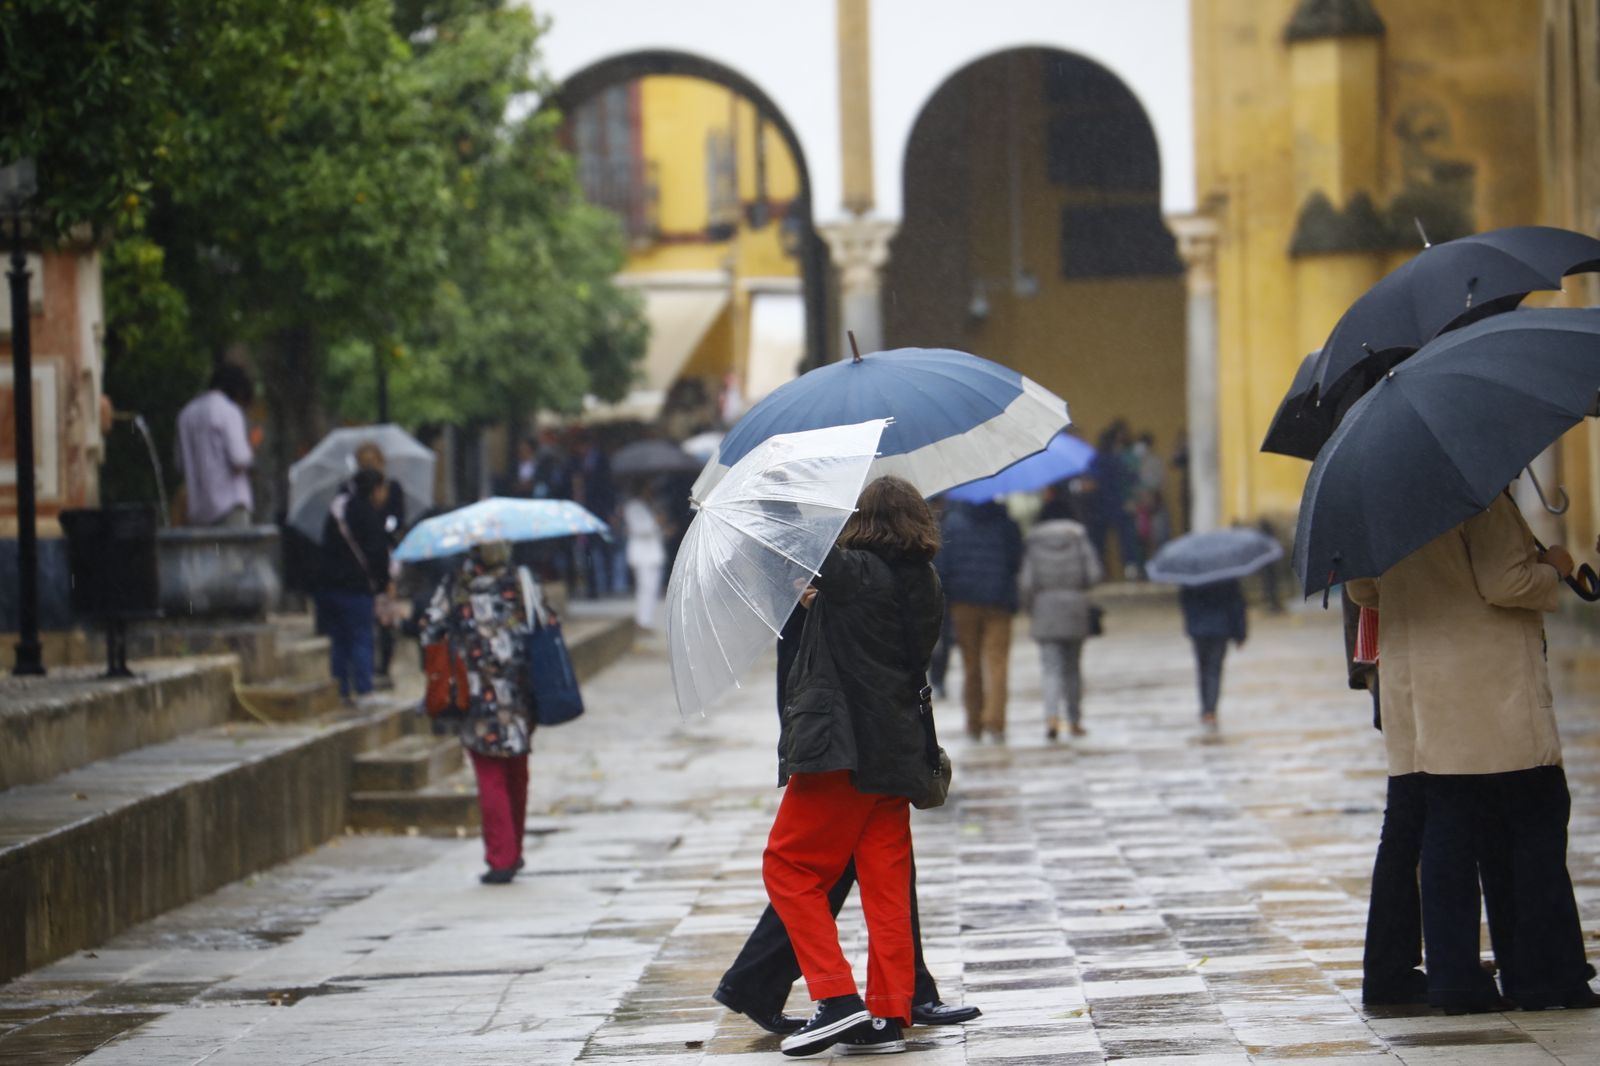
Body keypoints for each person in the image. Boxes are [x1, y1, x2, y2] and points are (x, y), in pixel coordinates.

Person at [1347, 491, 1597, 1012]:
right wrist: (1553, 568)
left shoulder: (1384, 501)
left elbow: (1363, 587)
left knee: (1448, 830)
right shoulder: (1478, 501)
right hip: (1490, 686)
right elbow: (1506, 582)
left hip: (1419, 686)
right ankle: (1546, 975)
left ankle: (1456, 978)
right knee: (1536, 818)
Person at [714, 602, 981, 1039]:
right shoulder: (839, 562)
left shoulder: (845, 560)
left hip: (854, 731)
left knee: (849, 867)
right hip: (851, 729)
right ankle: (888, 1000)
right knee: (867, 869)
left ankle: (848, 996)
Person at [762, 476, 949, 1057]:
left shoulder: (852, 573)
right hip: (896, 753)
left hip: (841, 752)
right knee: (885, 886)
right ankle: (889, 1016)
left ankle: (836, 997)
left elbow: (802, 548)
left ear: (861, 521)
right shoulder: (924, 581)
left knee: (787, 866)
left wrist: (777, 495)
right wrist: (824, 603)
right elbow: (878, 627)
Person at [420, 539, 537, 885]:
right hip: (518, 694)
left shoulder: (457, 583)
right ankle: (513, 851)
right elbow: (543, 621)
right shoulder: (521, 579)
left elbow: (430, 628)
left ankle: (501, 856)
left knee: (490, 775)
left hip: (474, 695)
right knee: (517, 772)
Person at [936, 500, 1023, 742]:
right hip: (999, 600)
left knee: (970, 663)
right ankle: (995, 721)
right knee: (997, 662)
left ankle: (974, 722)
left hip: (964, 602)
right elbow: (1015, 560)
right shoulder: (1006, 522)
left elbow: (943, 566)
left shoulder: (951, 524)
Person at [1020, 492, 1102, 741]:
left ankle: (1052, 717)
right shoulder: (1079, 537)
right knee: (1073, 669)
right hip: (1075, 609)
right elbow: (1094, 573)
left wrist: (1029, 607)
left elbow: (1026, 582)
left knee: (1051, 669)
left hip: (1045, 608)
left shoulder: (1033, 541)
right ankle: (1075, 720)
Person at [318, 468, 391, 705]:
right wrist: (382, 584)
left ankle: (340, 689)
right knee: (361, 638)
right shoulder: (368, 515)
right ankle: (364, 690)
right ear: (375, 489)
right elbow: (378, 554)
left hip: (330, 587)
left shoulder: (337, 513)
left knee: (339, 641)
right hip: (357, 588)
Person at [174, 362, 256, 527]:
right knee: (234, 553)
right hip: (231, 507)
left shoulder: (186, 414)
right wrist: (251, 449)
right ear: (238, 391)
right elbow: (239, 459)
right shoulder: (229, 411)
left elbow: (180, 464)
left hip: (199, 511)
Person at [354, 442, 408, 690]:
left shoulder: (392, 490)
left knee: (386, 616)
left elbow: (399, 520)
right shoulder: (354, 500)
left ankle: (383, 664)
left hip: (386, 558)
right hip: (363, 565)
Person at [1178, 577, 1247, 732]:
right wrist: (1240, 633)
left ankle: (1206, 709)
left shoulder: (1191, 576)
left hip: (1199, 629)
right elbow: (1236, 603)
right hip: (1219, 628)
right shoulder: (1227, 576)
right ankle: (1210, 710)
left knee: (1203, 669)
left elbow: (1184, 601)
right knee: (1213, 670)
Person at [621, 483, 666, 628]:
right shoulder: (633, 507)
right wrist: (656, 523)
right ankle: (643, 620)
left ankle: (647, 619)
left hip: (653, 552)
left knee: (653, 588)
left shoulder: (651, 506)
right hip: (642, 553)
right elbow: (637, 528)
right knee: (644, 587)